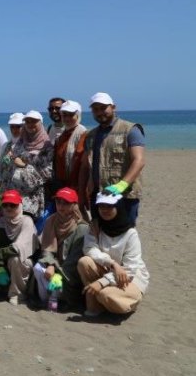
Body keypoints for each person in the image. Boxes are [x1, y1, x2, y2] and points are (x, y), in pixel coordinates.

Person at [77, 193, 149, 317]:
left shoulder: (130, 233)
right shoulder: (96, 227)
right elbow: (89, 248)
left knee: (106, 295)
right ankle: (96, 306)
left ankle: (130, 300)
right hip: (109, 270)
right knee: (84, 262)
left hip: (129, 278)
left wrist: (102, 282)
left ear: (118, 207)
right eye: (101, 206)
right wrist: (112, 264)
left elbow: (130, 269)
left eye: (109, 206)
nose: (105, 210)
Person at [80, 92, 146, 224]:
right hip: (99, 195)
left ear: (113, 107)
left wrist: (121, 185)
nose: (100, 112)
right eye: (95, 109)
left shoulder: (130, 130)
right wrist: (82, 193)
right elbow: (85, 166)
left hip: (125, 195)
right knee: (99, 233)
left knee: (124, 234)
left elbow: (138, 161)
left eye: (103, 108)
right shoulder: (91, 136)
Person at [31, 187, 88, 310]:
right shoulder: (51, 220)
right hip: (55, 265)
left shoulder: (82, 228)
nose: (61, 206)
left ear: (74, 205)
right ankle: (46, 299)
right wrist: (50, 264)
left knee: (56, 279)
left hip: (70, 275)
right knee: (38, 268)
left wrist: (56, 270)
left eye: (66, 203)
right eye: (58, 202)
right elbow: (47, 249)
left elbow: (74, 261)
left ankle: (62, 299)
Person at [0, 110, 53, 220]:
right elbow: (8, 169)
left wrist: (24, 166)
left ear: (41, 124)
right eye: (27, 122)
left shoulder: (47, 147)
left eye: (34, 121)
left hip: (30, 201)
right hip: (10, 198)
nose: (30, 124)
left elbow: (46, 175)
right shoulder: (19, 143)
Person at [0, 189, 38, 305]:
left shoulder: (26, 221)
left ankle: (18, 294)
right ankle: (9, 290)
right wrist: (0, 268)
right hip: (5, 265)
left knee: (15, 259)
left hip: (24, 263)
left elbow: (17, 248)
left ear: (19, 205)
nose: (8, 208)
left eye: (12, 205)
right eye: (5, 205)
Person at [51, 101, 87, 203]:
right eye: (64, 115)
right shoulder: (62, 136)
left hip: (77, 186)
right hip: (62, 186)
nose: (67, 118)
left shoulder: (82, 133)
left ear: (78, 115)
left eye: (71, 115)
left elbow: (82, 163)